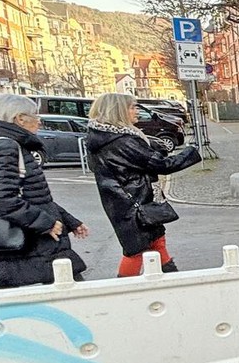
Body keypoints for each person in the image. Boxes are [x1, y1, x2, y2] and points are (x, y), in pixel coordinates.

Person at [0, 93, 90, 288]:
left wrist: (68, 220)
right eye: (35, 116)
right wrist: (45, 223)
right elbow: (2, 199)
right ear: (19, 119)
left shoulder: (9, 145)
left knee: (58, 289)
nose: (39, 122)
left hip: (29, 242)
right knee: (67, 289)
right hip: (30, 243)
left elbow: (35, 195)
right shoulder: (7, 147)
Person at [85, 92, 202, 276]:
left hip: (126, 201)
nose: (136, 110)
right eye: (132, 107)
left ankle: (172, 280)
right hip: (134, 204)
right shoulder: (122, 141)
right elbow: (161, 165)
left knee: (156, 242)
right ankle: (125, 291)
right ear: (118, 111)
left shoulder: (105, 138)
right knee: (136, 251)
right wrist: (192, 151)